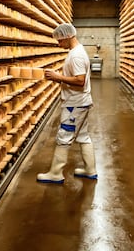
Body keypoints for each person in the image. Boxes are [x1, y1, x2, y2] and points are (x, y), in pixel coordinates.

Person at [37, 23, 97, 184]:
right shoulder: (76, 52)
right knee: (83, 137)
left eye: (59, 40)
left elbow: (80, 81)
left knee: (64, 137)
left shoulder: (76, 55)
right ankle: (90, 170)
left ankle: (56, 173)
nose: (58, 44)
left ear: (67, 37)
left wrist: (58, 77)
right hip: (80, 102)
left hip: (74, 105)